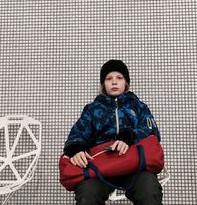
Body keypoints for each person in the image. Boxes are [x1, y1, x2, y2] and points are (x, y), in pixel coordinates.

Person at [63, 59, 163, 205]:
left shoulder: (138, 106)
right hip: (101, 168)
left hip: (134, 165)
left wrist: (128, 137)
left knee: (149, 188)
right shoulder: (92, 109)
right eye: (109, 79)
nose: (114, 82)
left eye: (119, 78)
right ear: (103, 84)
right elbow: (78, 133)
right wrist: (76, 149)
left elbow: (152, 131)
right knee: (87, 192)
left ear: (126, 83)